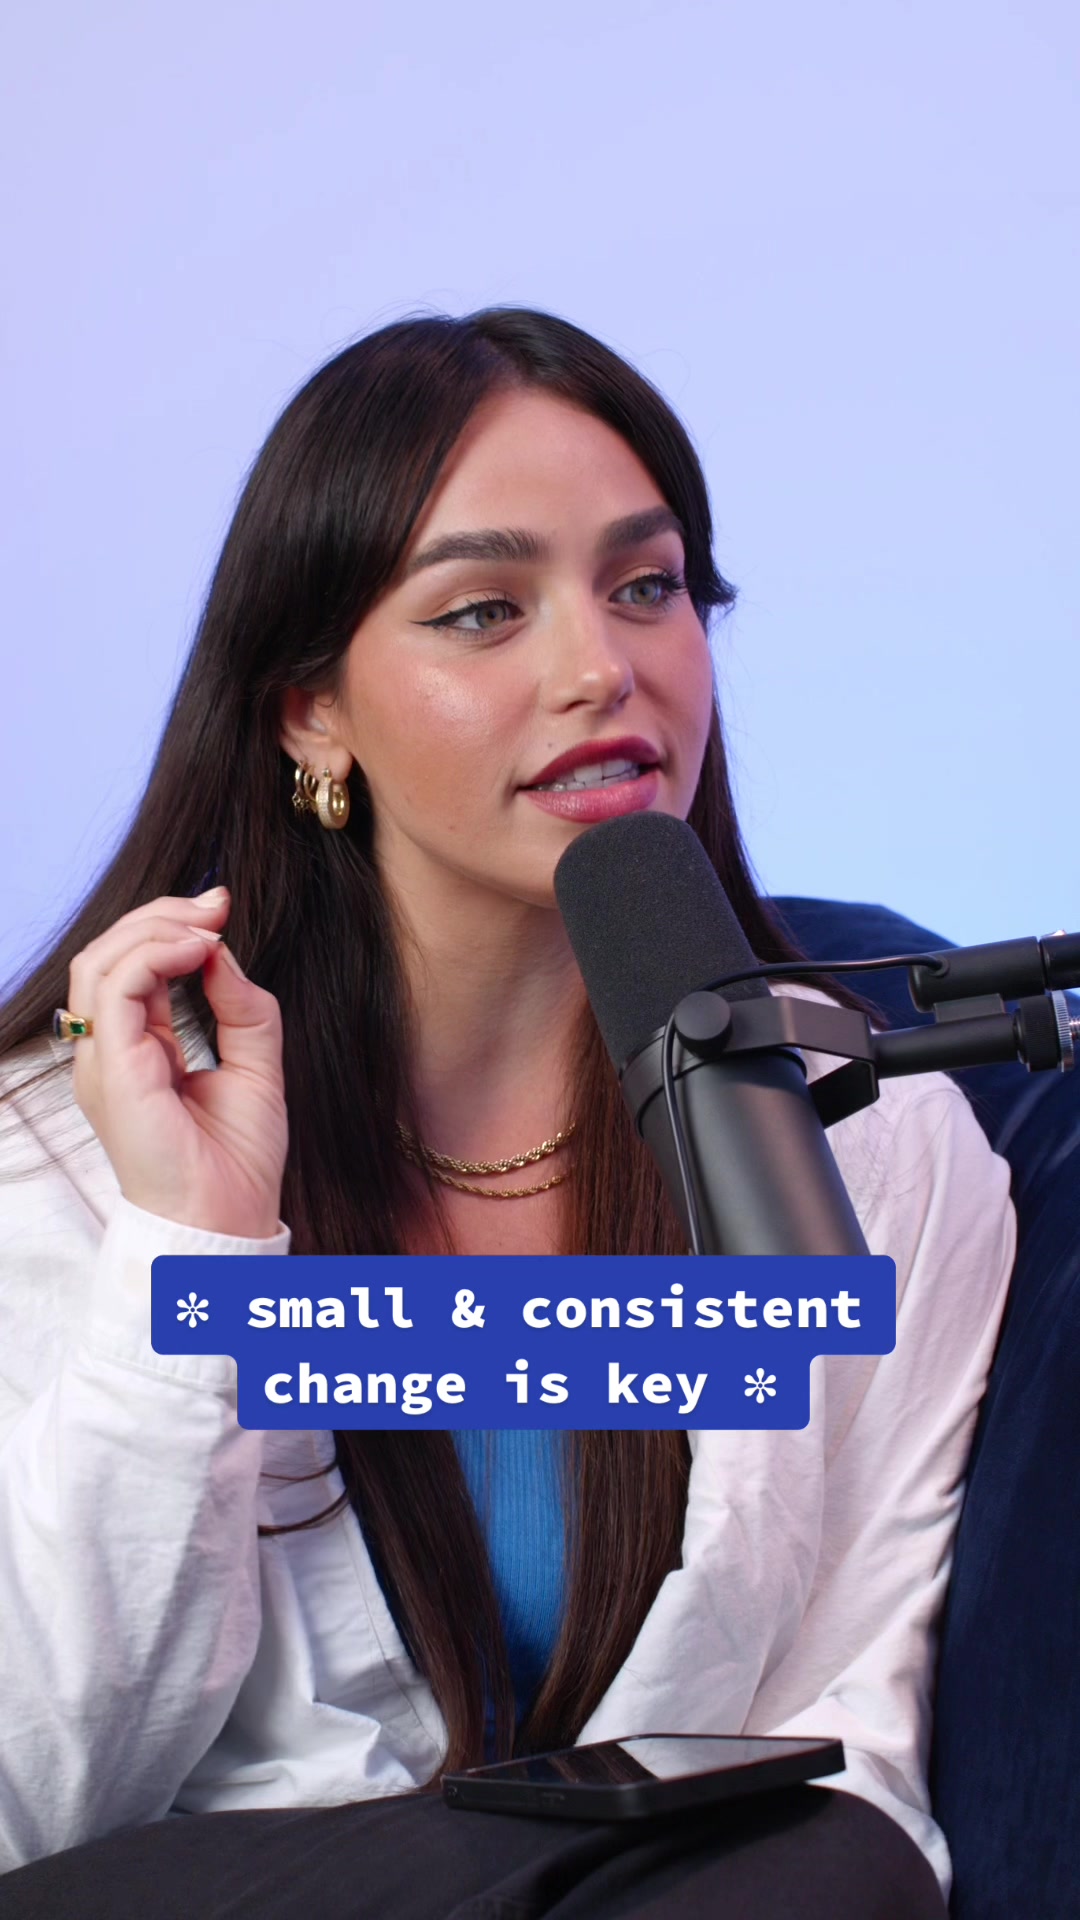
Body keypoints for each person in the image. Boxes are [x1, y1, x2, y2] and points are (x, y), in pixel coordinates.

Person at [0, 306, 1014, 1919]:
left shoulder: (876, 1141)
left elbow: (851, 1768)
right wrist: (190, 1253)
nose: (601, 670)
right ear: (310, 712)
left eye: (647, 586)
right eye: (483, 611)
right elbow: (34, 1806)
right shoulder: (57, 1160)